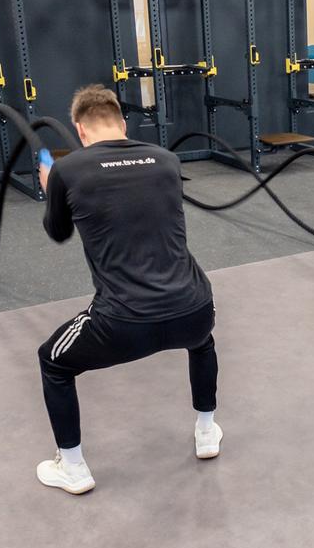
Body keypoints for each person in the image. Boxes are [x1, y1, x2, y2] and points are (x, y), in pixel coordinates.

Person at [34, 84, 222, 494]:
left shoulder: (68, 170)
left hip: (122, 324)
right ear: (122, 123)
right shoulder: (166, 160)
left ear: (80, 131)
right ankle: (207, 431)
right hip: (193, 310)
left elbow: (58, 231)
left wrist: (51, 189)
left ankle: (73, 468)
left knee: (53, 361)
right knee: (202, 341)